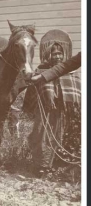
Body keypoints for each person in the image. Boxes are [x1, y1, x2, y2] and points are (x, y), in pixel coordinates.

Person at [23, 33, 81, 177]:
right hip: (45, 114)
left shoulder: (72, 72)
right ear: (48, 55)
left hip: (65, 114)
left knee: (63, 137)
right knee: (41, 136)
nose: (57, 57)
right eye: (54, 54)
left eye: (60, 54)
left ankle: (60, 165)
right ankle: (42, 167)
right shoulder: (41, 71)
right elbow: (31, 92)